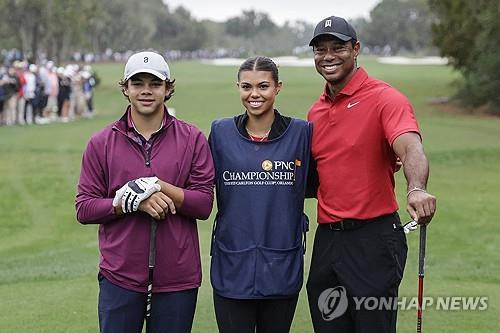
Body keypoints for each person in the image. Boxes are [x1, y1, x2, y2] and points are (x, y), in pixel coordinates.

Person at [305, 16, 437, 333]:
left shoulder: (385, 99)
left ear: (356, 49)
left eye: (338, 47)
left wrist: (416, 188)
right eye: (320, 49)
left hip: (374, 239)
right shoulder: (316, 112)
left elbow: (410, 147)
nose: (328, 56)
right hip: (327, 242)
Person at [75, 51, 215, 333]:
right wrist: (127, 202)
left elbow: (203, 205)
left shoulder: (193, 139)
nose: (147, 91)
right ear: (126, 88)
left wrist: (158, 186)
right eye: (138, 83)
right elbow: (84, 208)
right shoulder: (101, 143)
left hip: (177, 278)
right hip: (120, 277)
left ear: (168, 88)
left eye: (155, 83)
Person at [209, 56, 312, 333]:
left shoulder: (302, 133)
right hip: (232, 265)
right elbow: (195, 178)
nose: (254, 94)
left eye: (263, 86)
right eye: (246, 87)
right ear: (238, 88)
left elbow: (326, 178)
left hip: (281, 264)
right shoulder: (220, 133)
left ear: (278, 87)